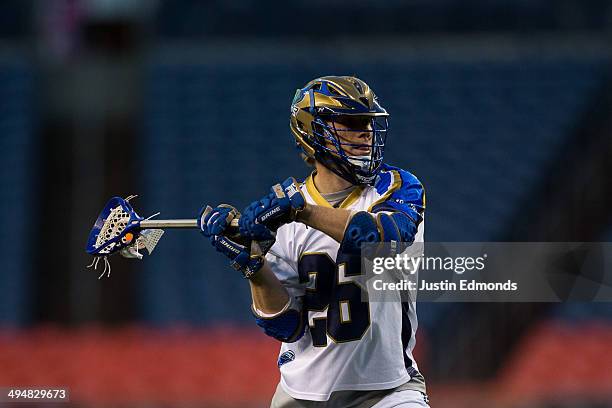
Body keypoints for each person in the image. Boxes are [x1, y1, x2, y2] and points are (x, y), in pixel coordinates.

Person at [198, 76, 428, 408]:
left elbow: (384, 237)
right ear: (313, 132)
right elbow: (285, 325)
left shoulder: (397, 185)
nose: (365, 132)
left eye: (367, 123)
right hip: (302, 395)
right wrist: (253, 266)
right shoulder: (285, 213)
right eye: (350, 122)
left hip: (388, 391)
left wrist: (302, 212)